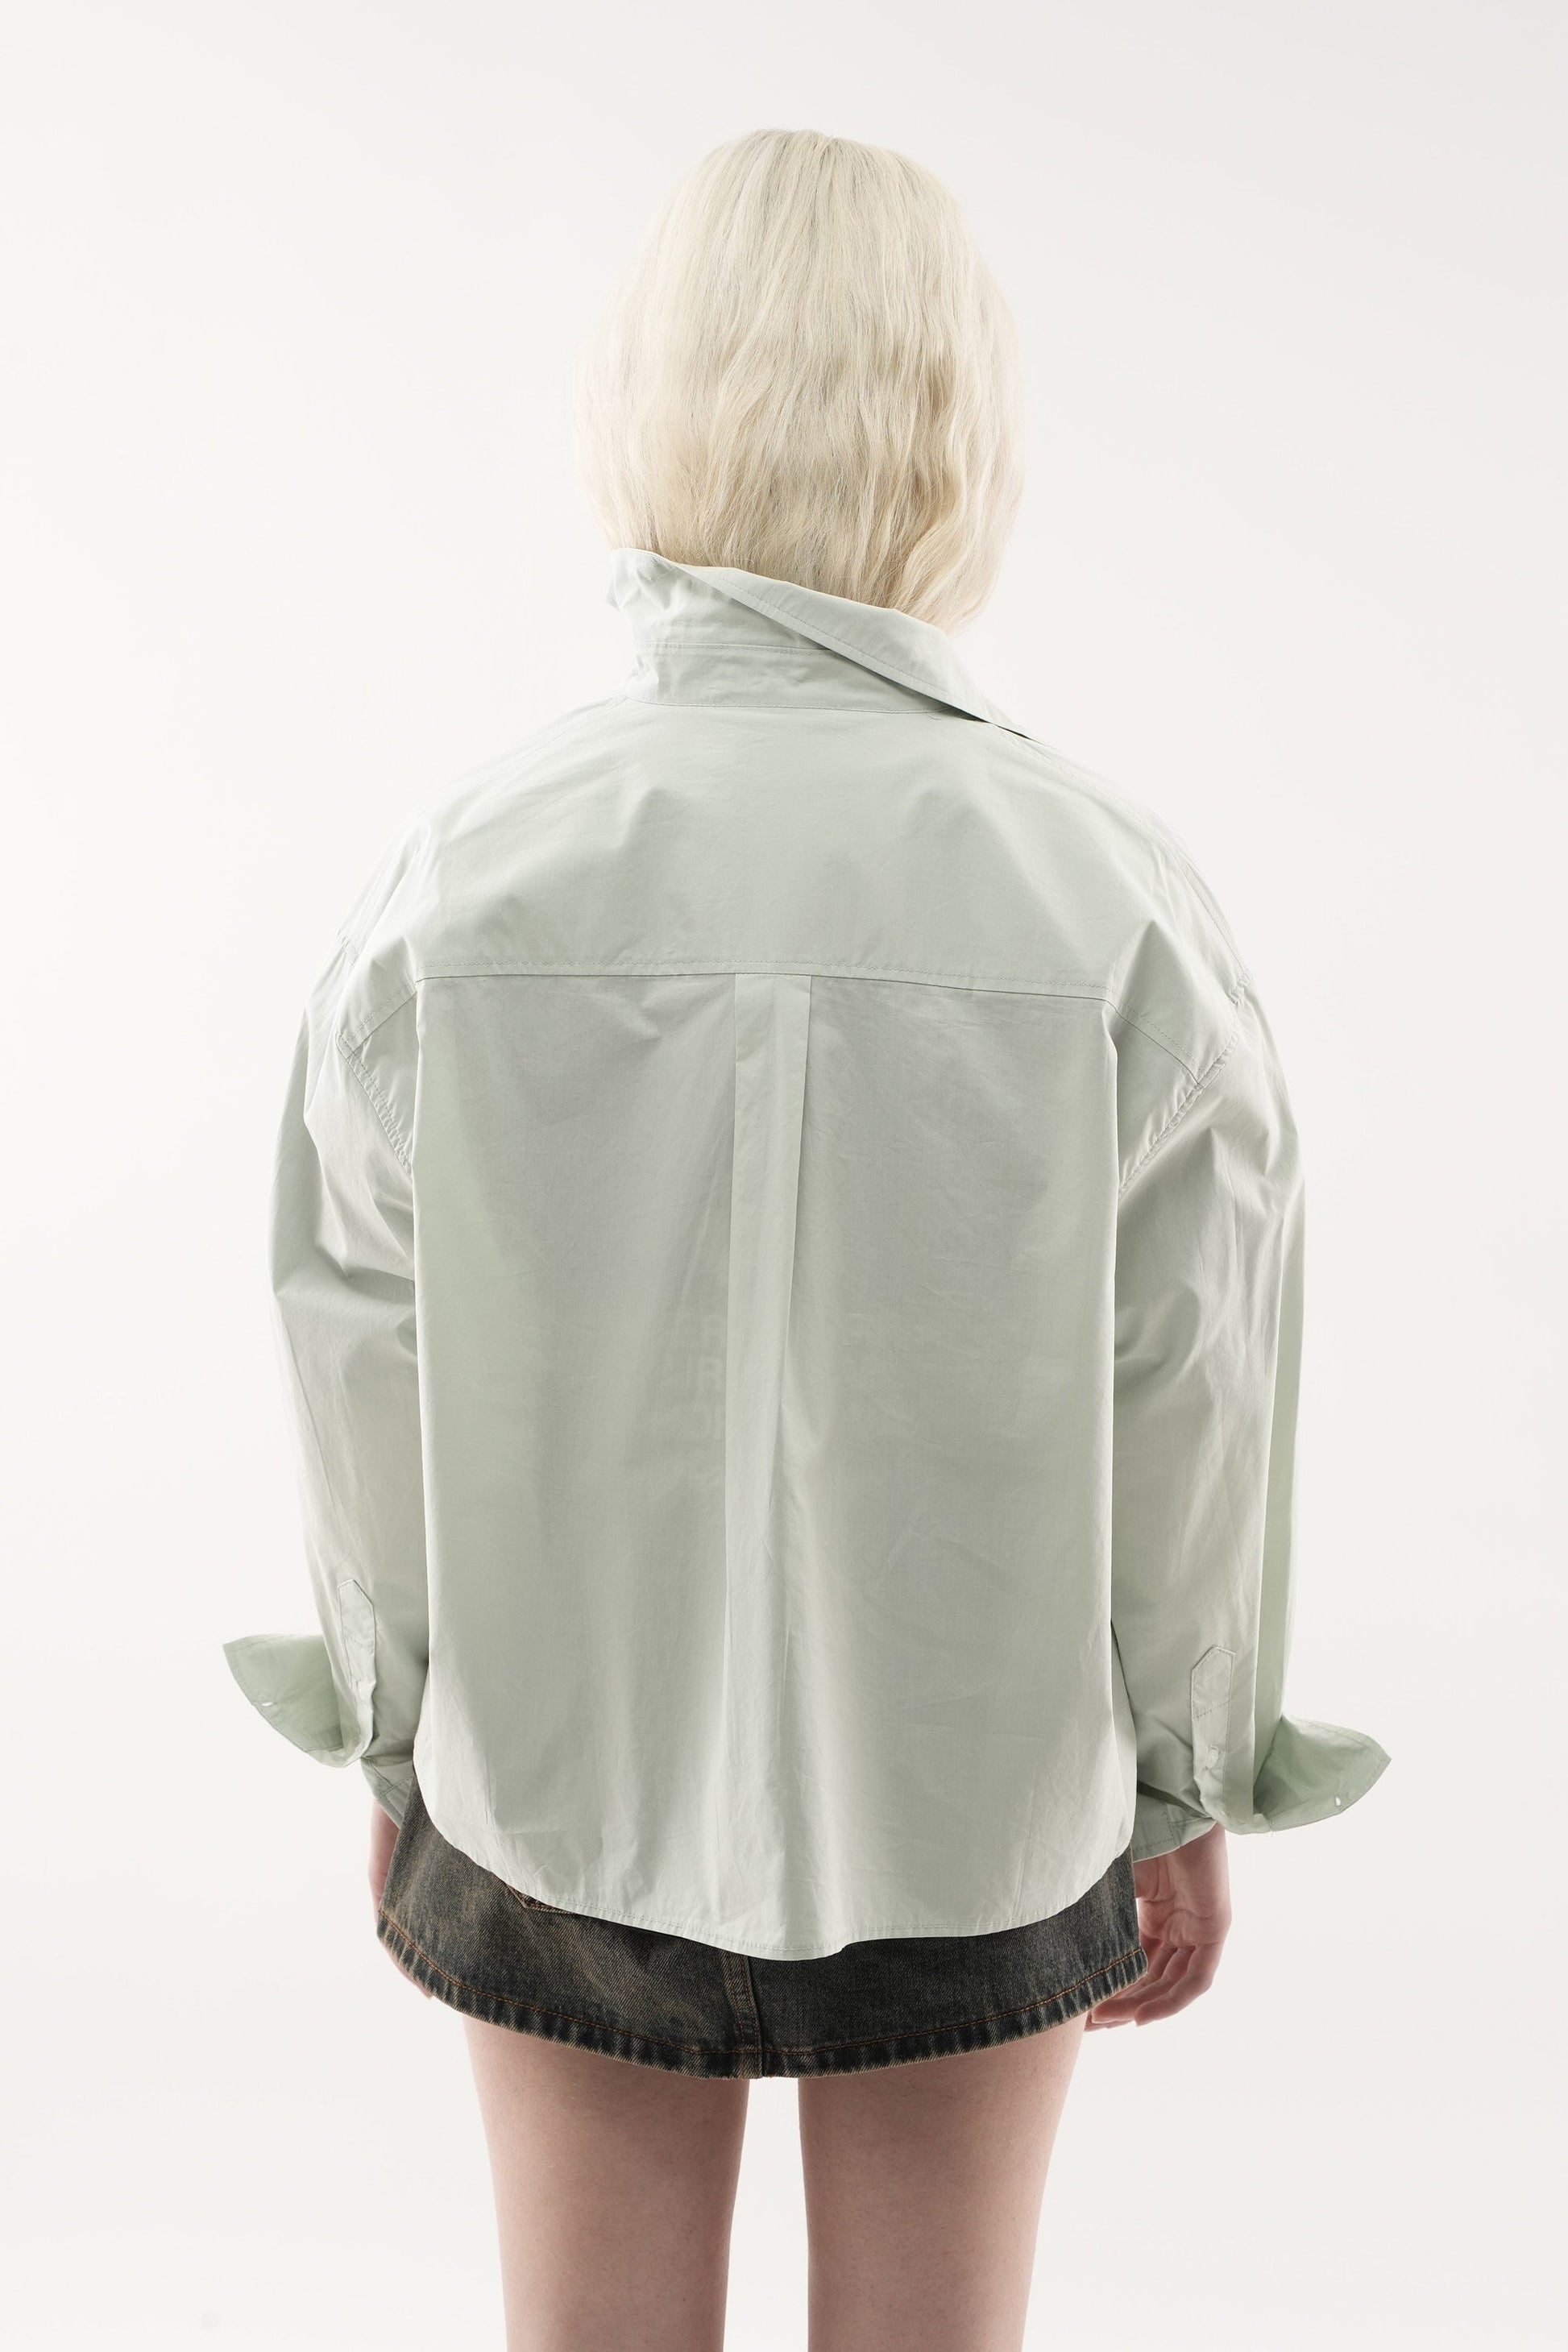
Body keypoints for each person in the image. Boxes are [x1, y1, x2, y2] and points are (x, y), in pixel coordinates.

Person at [225, 128, 1389, 2352]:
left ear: (637, 399)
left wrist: (400, 1740)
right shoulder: (1109, 895)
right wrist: (1180, 1774)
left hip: (551, 1784)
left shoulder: (458, 882)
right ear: (961, 429)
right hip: (980, 1802)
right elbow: (1194, 1386)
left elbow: (354, 1351)